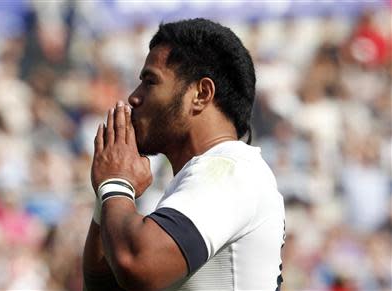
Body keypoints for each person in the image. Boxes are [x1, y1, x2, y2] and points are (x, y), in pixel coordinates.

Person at [83, 18, 285, 291]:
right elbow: (103, 285)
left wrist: (116, 183)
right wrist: (109, 188)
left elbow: (136, 264)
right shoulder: (202, 179)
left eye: (150, 81)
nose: (133, 97)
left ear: (201, 94)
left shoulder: (231, 169)